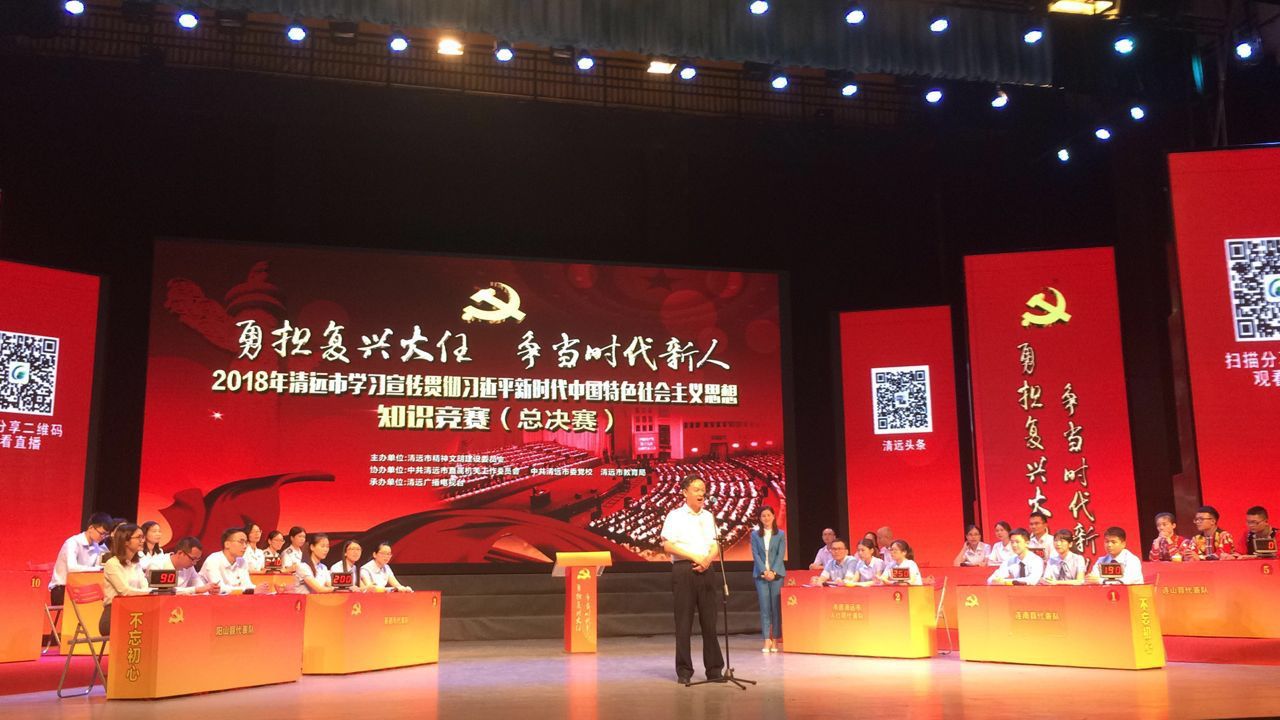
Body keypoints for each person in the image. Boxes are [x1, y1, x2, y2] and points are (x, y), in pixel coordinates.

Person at [659, 475, 724, 685]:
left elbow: (716, 544)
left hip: (707, 569)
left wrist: (707, 560)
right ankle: (684, 670)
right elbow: (667, 545)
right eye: (696, 489)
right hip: (684, 570)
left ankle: (714, 670)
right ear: (685, 492)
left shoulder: (709, 516)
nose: (701, 493)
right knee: (684, 623)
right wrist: (694, 557)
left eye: (703, 489)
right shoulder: (675, 516)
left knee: (710, 623)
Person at [49, 511, 111, 606]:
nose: (103, 537)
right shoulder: (72, 542)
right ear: (91, 528)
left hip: (83, 588)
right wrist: (98, 569)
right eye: (101, 534)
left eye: (106, 535)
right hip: (62, 589)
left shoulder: (97, 546)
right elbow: (72, 568)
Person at [99, 523, 150, 635]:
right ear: (126, 541)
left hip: (135, 610)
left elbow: (145, 587)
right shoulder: (112, 564)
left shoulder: (136, 564)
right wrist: (151, 592)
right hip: (114, 613)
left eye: (143, 537)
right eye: (139, 537)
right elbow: (125, 591)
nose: (142, 540)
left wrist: (152, 592)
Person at [749, 505, 785, 652]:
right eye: (763, 516)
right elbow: (755, 554)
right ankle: (766, 640)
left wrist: (773, 572)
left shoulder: (780, 534)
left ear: (773, 516)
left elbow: (780, 554)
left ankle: (775, 639)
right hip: (761, 575)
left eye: (768, 515)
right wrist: (764, 571)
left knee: (776, 608)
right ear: (760, 518)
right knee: (765, 608)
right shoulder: (754, 535)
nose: (766, 518)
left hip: (777, 575)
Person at [199, 527, 265, 592]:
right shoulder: (213, 560)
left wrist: (259, 588)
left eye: (246, 542)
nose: (245, 546)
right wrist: (250, 590)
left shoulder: (241, 561)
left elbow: (247, 584)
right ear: (227, 544)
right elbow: (219, 588)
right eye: (241, 542)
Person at [152, 537, 219, 594]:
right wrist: (196, 590)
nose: (194, 563)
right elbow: (162, 591)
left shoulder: (189, 567)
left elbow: (199, 585)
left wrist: (208, 590)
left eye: (197, 560)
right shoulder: (157, 565)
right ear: (180, 553)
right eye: (193, 559)